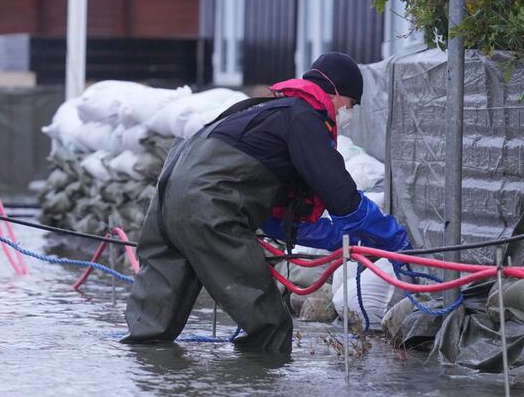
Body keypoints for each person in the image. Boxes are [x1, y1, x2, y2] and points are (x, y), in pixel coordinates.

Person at [122, 52, 411, 353]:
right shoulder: (303, 118)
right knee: (270, 328)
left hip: (167, 200)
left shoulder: (263, 113)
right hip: (209, 207)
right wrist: (394, 240)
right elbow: (344, 199)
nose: (346, 115)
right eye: (350, 106)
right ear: (336, 94)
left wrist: (345, 243)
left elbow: (280, 219)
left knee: (151, 328)